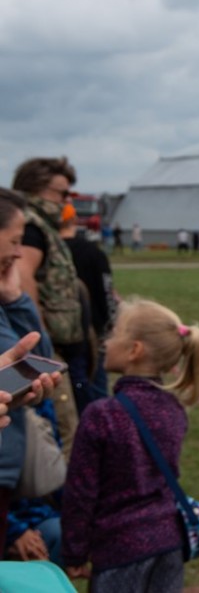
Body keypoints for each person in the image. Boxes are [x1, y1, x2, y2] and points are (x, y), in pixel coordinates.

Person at [61, 297, 199, 592]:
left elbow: (80, 492)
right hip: (169, 543)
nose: (105, 341)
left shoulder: (101, 415)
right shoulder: (173, 410)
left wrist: (74, 552)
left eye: (114, 333)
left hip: (118, 551)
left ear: (135, 350)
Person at [0, 188, 63, 545]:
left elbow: (41, 357)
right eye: (14, 240)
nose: (19, 253)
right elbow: (29, 359)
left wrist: (14, 298)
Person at [11, 157, 87, 438]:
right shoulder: (31, 228)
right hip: (45, 347)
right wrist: (40, 341)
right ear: (36, 189)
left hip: (52, 345)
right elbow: (23, 279)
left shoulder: (41, 226)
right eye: (62, 194)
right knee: (65, 431)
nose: (67, 202)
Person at [59, 204, 113, 405]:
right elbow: (106, 293)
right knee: (95, 388)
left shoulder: (48, 252)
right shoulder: (93, 253)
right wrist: (108, 326)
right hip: (92, 332)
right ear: (74, 220)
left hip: (58, 335)